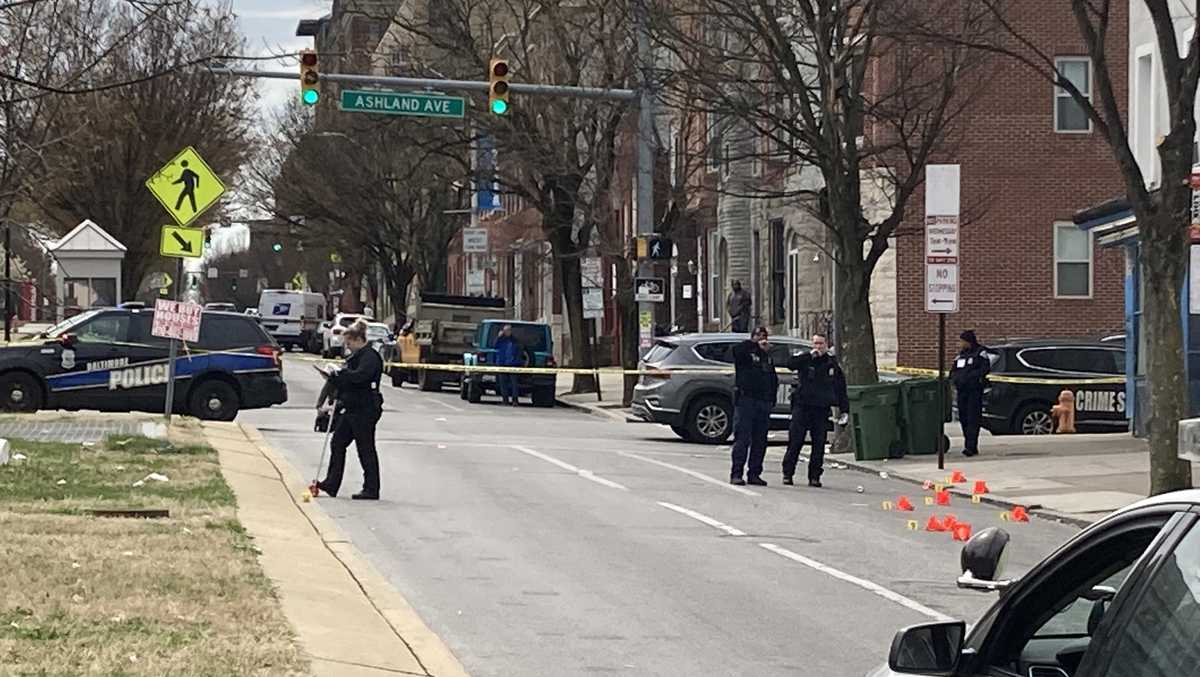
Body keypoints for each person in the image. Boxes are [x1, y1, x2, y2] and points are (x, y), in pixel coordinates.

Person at [315, 320, 384, 500]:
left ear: (358, 340)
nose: (347, 347)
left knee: (365, 448)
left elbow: (360, 377)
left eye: (349, 343)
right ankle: (331, 483)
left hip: (365, 409)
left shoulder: (370, 357)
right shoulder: (356, 357)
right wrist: (334, 378)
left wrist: (341, 375)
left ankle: (371, 488)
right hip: (352, 407)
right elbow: (349, 379)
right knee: (337, 442)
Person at [783, 334, 849, 488]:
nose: (818, 347)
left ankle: (814, 476)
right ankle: (788, 473)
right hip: (802, 406)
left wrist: (844, 409)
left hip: (821, 408)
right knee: (795, 441)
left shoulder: (831, 363)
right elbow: (790, 364)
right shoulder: (805, 359)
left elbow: (840, 387)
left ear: (826, 345)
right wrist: (808, 355)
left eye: (821, 344)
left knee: (818, 444)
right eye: (815, 344)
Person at [730, 326, 777, 486]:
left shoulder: (767, 356)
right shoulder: (745, 351)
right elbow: (736, 351)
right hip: (746, 400)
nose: (761, 338)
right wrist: (755, 346)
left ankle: (754, 473)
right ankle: (736, 473)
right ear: (752, 336)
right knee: (742, 439)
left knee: (760, 440)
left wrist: (772, 399)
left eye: (764, 336)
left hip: (763, 402)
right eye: (758, 335)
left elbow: (772, 377)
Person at [951, 329, 990, 457]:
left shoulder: (980, 353)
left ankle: (971, 446)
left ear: (968, 341)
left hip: (974, 391)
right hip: (962, 391)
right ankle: (968, 443)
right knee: (964, 419)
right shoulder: (960, 355)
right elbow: (954, 371)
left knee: (973, 418)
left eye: (962, 341)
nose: (960, 344)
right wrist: (956, 379)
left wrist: (970, 377)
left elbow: (984, 369)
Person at [494, 324, 525, 406]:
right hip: (502, 364)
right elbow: (495, 346)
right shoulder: (501, 340)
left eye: (507, 330)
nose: (506, 332)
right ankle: (505, 400)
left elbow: (520, 351)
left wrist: (517, 361)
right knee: (503, 384)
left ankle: (515, 401)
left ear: (510, 331)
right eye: (504, 331)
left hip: (512, 364)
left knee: (514, 383)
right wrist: (498, 337)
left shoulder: (515, 340)